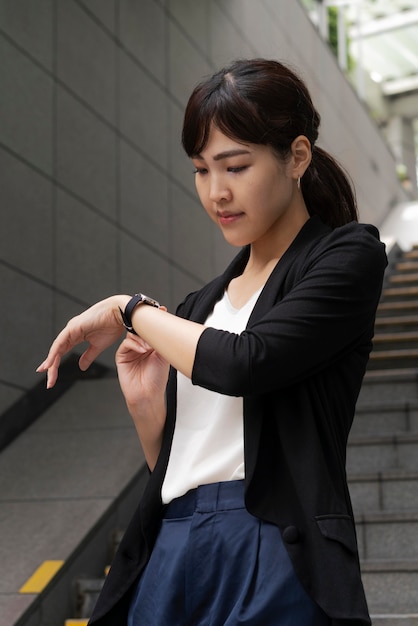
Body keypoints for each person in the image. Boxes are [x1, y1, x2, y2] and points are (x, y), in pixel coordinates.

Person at [37, 58, 387, 625]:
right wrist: (148, 406)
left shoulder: (346, 257)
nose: (216, 192)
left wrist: (129, 310)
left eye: (235, 166)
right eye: (201, 170)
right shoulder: (202, 306)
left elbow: (247, 362)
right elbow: (175, 466)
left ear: (297, 156)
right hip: (171, 541)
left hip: (269, 544)